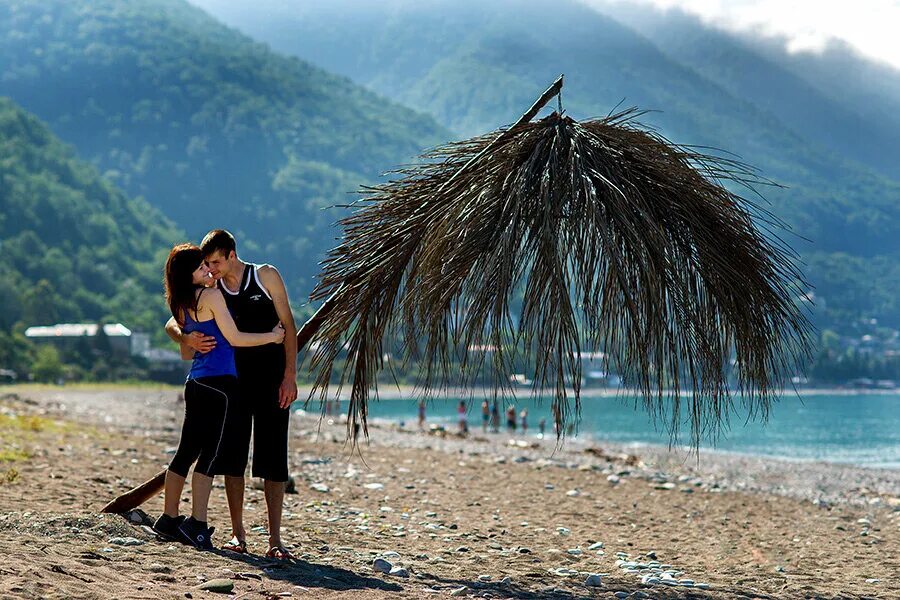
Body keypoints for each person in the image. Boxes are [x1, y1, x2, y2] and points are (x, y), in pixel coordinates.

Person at [166, 230, 298, 558]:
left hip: (272, 383)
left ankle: (275, 541)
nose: (210, 270)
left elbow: (289, 327)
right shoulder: (212, 289)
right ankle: (238, 535)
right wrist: (186, 338)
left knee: (273, 460)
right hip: (233, 385)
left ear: (231, 255)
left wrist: (290, 376)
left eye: (214, 263)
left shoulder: (266, 276)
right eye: (206, 265)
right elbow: (173, 319)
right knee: (231, 461)